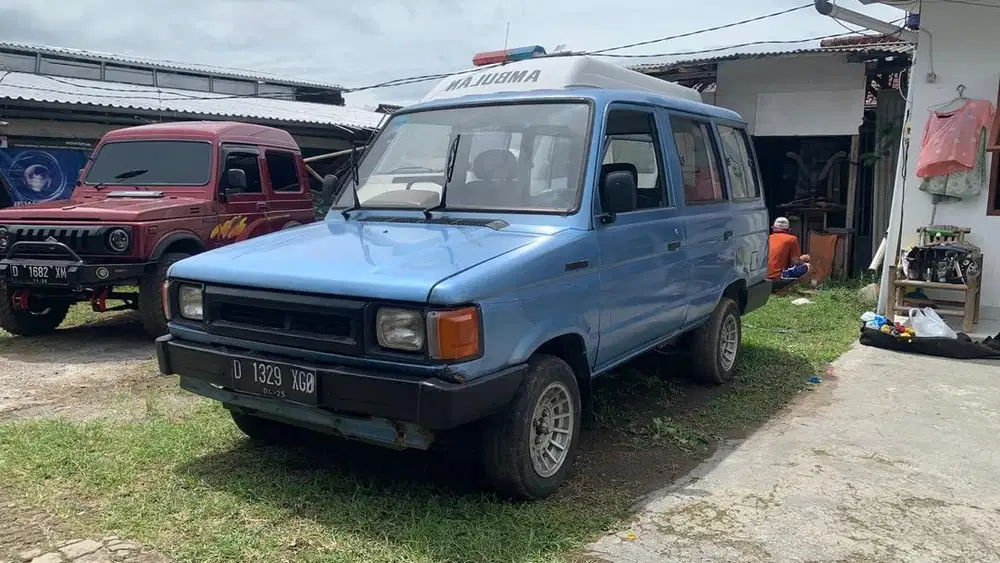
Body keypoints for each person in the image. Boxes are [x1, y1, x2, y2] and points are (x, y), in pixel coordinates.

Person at [767, 217, 811, 290]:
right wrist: (804, 258)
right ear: (789, 230)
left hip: (764, 280)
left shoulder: (767, 238)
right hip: (778, 278)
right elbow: (795, 261)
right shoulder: (792, 239)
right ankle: (786, 289)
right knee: (808, 267)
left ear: (772, 228)